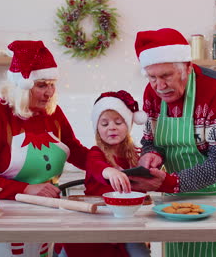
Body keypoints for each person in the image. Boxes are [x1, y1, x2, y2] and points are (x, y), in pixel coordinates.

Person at [0, 40, 89, 257]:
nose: (49, 92)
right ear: (22, 85)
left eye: (52, 84)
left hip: (44, 215)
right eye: (41, 85)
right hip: (1, 218)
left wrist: (109, 165)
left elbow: (75, 150)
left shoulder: (52, 113)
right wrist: (25, 189)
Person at [129, 28, 216, 257]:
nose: (159, 86)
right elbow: (150, 141)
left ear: (186, 68)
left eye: (166, 76)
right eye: (152, 78)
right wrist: (152, 154)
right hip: (178, 201)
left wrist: (167, 183)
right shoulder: (152, 93)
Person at [56, 90, 150, 257]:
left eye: (118, 122)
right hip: (95, 222)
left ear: (127, 125)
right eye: (104, 124)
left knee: (141, 253)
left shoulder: (136, 156)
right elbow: (97, 167)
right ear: (97, 129)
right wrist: (110, 171)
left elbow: (142, 190)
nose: (112, 127)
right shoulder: (95, 153)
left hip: (125, 223)